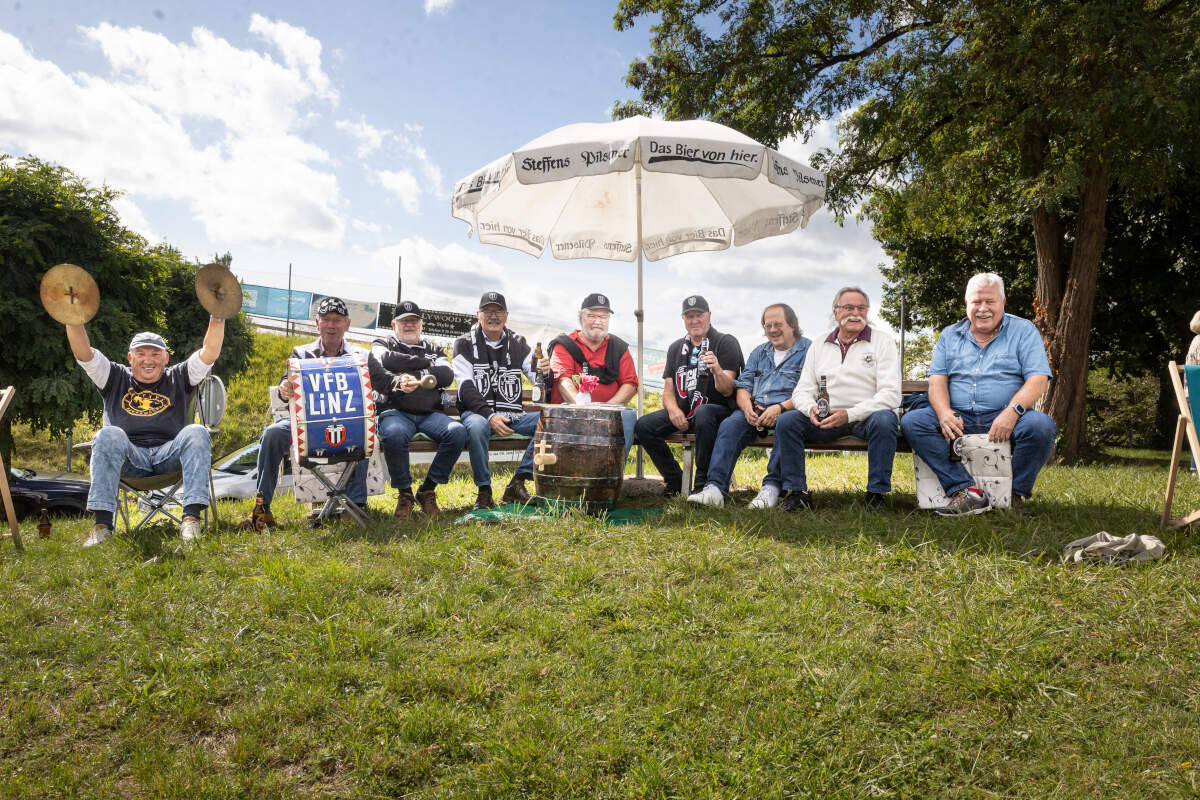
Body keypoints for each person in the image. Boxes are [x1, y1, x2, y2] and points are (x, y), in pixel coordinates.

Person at [899, 272, 1057, 514]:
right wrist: (943, 413)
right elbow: (938, 381)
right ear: (966, 304)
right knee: (913, 421)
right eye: (976, 302)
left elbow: (1038, 380)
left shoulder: (1023, 331)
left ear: (1003, 302)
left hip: (1006, 416)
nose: (983, 308)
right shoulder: (949, 335)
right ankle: (965, 491)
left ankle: (1012, 495)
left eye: (990, 301)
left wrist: (1012, 412)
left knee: (1041, 426)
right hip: (959, 417)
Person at [67, 318, 225, 547]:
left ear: (166, 358)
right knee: (108, 434)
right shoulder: (113, 376)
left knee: (197, 431)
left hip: (169, 456)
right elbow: (83, 353)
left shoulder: (179, 376)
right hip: (130, 459)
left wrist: (217, 317)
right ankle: (101, 527)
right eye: (141, 353)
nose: (148, 360)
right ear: (130, 357)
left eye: (155, 354)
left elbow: (209, 352)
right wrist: (71, 316)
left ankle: (191, 521)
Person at [238, 296, 369, 529]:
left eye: (337, 320)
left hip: (348, 422)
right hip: (306, 423)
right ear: (317, 323)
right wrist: (284, 388)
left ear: (347, 325)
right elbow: (283, 387)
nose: (331, 325)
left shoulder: (360, 356)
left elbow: (374, 390)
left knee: (368, 430)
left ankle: (356, 504)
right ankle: (262, 509)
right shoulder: (301, 353)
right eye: (326, 319)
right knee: (272, 434)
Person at [776, 287, 901, 511]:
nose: (855, 313)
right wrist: (810, 409)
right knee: (788, 421)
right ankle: (798, 493)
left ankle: (876, 495)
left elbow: (891, 394)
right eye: (848, 307)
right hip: (826, 418)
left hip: (866, 417)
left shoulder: (883, 342)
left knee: (885, 420)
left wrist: (850, 414)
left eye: (861, 308)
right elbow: (802, 391)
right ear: (835, 313)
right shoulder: (819, 344)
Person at [688, 304, 811, 508]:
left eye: (778, 324)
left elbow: (810, 390)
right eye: (767, 325)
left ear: (792, 325)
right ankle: (715, 489)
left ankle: (771, 488)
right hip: (756, 409)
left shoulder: (809, 350)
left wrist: (780, 408)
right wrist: (746, 406)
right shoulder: (759, 352)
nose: (772, 329)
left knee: (786, 424)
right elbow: (744, 385)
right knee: (730, 425)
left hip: (790, 410)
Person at [528, 292, 638, 502]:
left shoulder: (619, 347)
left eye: (603, 316)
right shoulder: (564, 344)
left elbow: (630, 384)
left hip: (609, 411)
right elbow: (563, 380)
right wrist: (583, 408)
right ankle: (562, 486)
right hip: (571, 411)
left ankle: (609, 482)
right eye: (592, 315)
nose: (598, 321)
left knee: (629, 418)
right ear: (581, 317)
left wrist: (604, 412)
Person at [633, 296, 743, 497]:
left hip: (718, 411)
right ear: (683, 319)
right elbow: (668, 388)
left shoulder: (726, 342)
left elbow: (728, 389)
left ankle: (702, 484)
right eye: (689, 316)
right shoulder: (676, 347)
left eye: (699, 315)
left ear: (708, 316)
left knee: (704, 413)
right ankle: (675, 480)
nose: (694, 320)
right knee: (643, 426)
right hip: (685, 410)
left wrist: (717, 369)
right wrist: (674, 411)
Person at [453, 291, 551, 509]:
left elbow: (535, 376)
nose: (493, 316)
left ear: (506, 316)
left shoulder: (518, 342)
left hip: (511, 415)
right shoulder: (464, 343)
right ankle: (484, 491)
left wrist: (545, 370)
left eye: (498, 312)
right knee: (477, 427)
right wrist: (490, 416)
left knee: (551, 422)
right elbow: (466, 387)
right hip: (478, 413)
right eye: (488, 311)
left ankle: (518, 482)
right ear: (478, 314)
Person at [369, 300, 467, 517]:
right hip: (394, 412)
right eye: (404, 321)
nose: (409, 325)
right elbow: (386, 359)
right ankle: (405, 494)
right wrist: (423, 365)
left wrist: (410, 370)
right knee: (393, 434)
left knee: (458, 432)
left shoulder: (433, 348)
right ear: (394, 325)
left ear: (421, 324)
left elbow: (447, 376)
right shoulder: (381, 343)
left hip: (429, 414)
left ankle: (427, 490)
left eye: (413, 321)